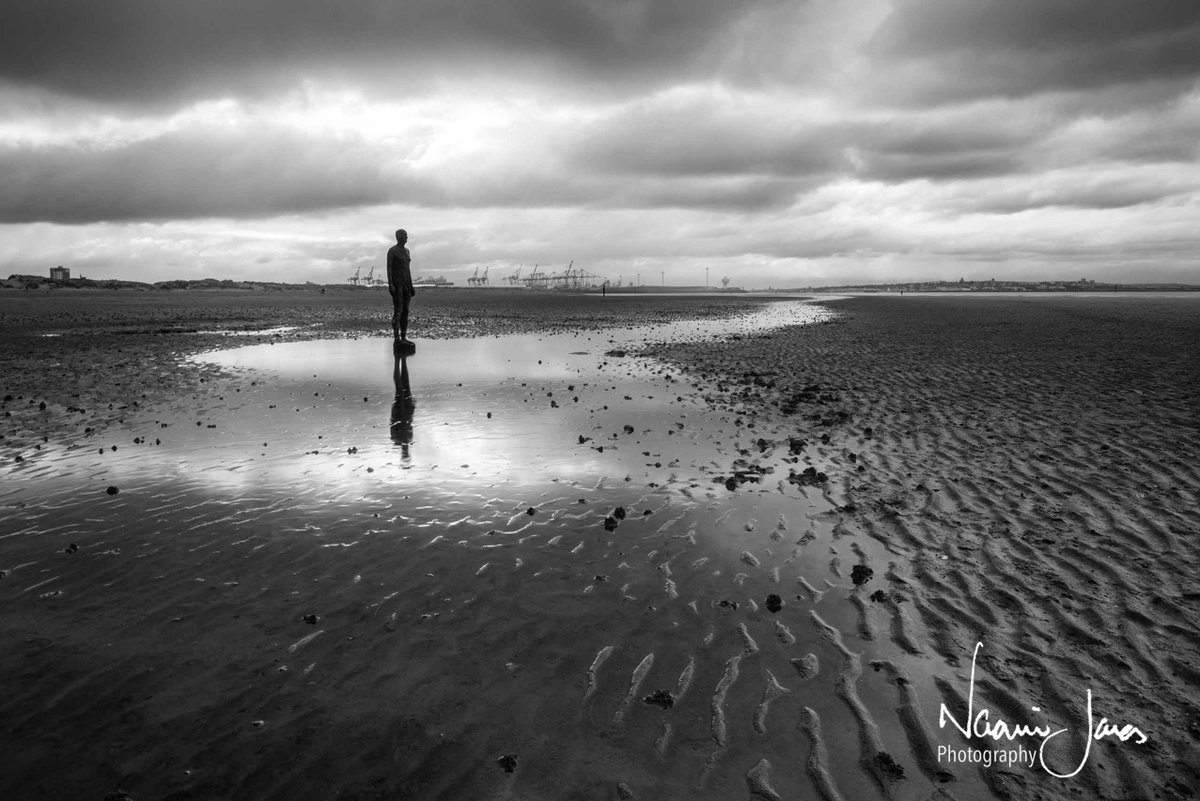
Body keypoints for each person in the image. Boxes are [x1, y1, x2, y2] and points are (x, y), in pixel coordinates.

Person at [387, 229, 416, 346]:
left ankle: (404, 337)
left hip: (406, 285)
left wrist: (412, 285)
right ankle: (397, 339)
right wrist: (391, 285)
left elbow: (408, 270)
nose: (407, 237)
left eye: (407, 235)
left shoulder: (407, 251)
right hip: (397, 285)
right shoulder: (392, 251)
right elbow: (389, 269)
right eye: (405, 235)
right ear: (399, 237)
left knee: (406, 312)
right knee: (398, 312)